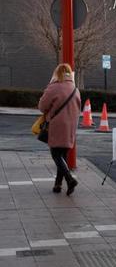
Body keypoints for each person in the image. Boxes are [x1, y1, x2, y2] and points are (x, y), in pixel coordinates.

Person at [38, 63, 81, 196]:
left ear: (57, 73)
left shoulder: (54, 87)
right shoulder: (75, 89)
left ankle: (69, 179)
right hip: (71, 126)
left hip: (57, 125)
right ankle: (58, 184)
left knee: (56, 154)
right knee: (63, 155)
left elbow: (42, 106)